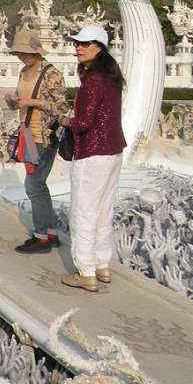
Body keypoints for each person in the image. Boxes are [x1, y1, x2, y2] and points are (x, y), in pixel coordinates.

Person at [58, 25, 126, 293]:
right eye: (77, 43)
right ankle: (102, 265)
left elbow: (84, 122)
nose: (79, 47)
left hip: (93, 152)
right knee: (103, 209)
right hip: (113, 151)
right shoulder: (111, 78)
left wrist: (63, 120)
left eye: (85, 44)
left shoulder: (93, 80)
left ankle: (85, 271)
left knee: (84, 212)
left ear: (100, 47)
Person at [5, 30, 67, 254]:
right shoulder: (24, 71)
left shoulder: (51, 74)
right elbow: (22, 102)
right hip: (28, 134)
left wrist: (31, 101)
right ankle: (49, 233)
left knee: (34, 184)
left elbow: (61, 107)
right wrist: (14, 101)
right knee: (37, 184)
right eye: (20, 53)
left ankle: (42, 236)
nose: (22, 57)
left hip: (45, 135)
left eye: (26, 53)